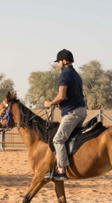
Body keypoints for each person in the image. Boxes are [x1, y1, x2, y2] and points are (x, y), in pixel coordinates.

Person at [44, 49, 87, 181]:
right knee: (69, 138)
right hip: (81, 110)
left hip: (72, 113)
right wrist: (60, 104)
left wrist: (50, 103)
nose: (57, 65)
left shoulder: (64, 75)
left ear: (63, 61)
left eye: (58, 62)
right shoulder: (76, 74)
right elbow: (71, 96)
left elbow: (61, 95)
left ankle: (61, 170)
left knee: (58, 139)